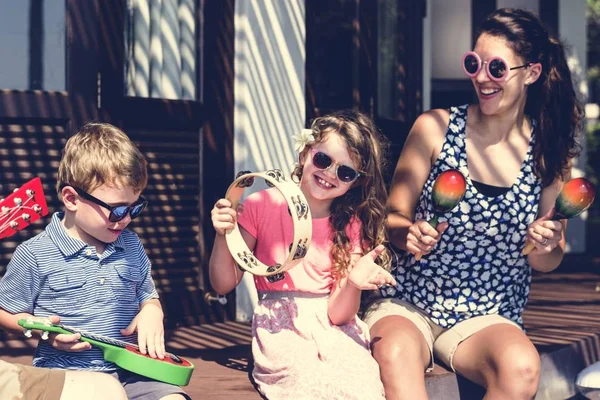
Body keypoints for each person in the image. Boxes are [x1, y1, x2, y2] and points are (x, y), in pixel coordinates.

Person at [363, 8, 583, 400]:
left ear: (530, 73)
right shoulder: (434, 127)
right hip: (410, 302)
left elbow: (547, 260)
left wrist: (548, 243)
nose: (482, 77)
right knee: (394, 351)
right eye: (474, 64)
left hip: (487, 318)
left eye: (496, 67)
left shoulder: (548, 153)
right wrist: (408, 233)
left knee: (522, 369)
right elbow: (393, 219)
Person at [209, 109, 396, 399]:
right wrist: (224, 236)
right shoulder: (261, 205)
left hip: (334, 328)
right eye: (323, 160)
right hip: (281, 325)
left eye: (345, 172)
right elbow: (222, 283)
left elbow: (338, 315)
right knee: (305, 383)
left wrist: (354, 284)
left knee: (362, 383)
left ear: (356, 182)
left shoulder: (351, 223)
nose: (329, 174)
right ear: (305, 154)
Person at [0, 123, 189, 399]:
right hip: (67, 372)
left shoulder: (131, 245)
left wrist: (152, 310)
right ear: (71, 199)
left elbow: (147, 295)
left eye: (134, 207)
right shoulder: (35, 254)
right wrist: (44, 330)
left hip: (133, 370)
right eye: (116, 210)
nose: (125, 219)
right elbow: (5, 312)